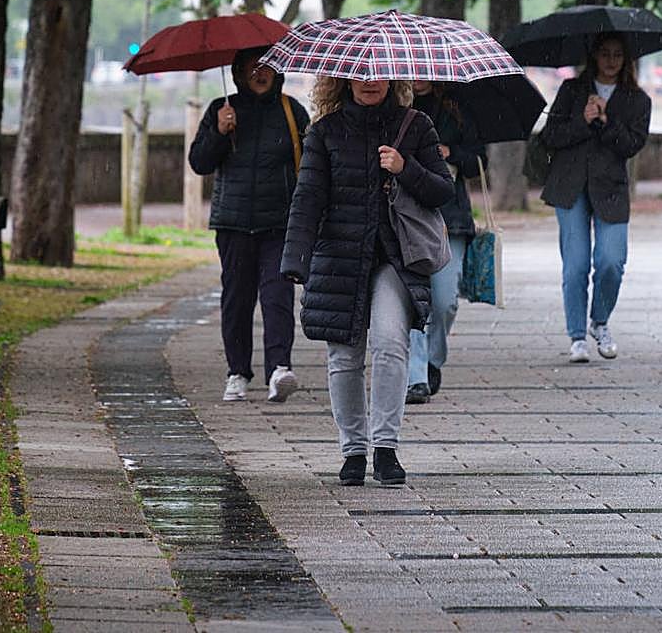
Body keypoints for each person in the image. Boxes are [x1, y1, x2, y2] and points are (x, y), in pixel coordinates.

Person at [281, 76, 454, 487]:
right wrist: (296, 260)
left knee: (391, 342)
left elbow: (442, 190)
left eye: (377, 74)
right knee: (344, 355)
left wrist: (404, 167)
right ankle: (353, 450)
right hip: (340, 255)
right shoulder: (325, 133)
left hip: (396, 257)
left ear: (392, 79)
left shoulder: (416, 126)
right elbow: (307, 199)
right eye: (359, 75)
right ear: (343, 80)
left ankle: (386, 447)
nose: (369, 82)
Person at [188, 46, 310, 402]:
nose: (260, 72)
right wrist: (220, 132)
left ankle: (279, 370)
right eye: (252, 67)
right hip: (233, 223)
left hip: (279, 223)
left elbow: (311, 163)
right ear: (238, 72)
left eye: (267, 66)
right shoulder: (221, 109)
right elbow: (199, 163)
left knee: (277, 297)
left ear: (278, 71)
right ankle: (237, 372)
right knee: (237, 300)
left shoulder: (292, 112)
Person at [540, 32, 651, 364]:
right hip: (570, 186)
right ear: (594, 56)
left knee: (611, 262)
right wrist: (583, 121)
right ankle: (577, 336)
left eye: (618, 54)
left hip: (611, 189)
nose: (611, 60)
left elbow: (633, 144)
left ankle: (599, 321)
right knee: (575, 266)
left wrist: (605, 123)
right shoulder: (573, 90)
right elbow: (551, 136)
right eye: (605, 53)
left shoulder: (637, 99)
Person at [405, 80, 485, 404]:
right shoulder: (395, 108)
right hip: (406, 215)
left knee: (444, 300)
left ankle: (433, 359)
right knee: (412, 299)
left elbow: (479, 160)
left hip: (450, 218)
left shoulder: (457, 109)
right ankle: (416, 376)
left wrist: (451, 153)